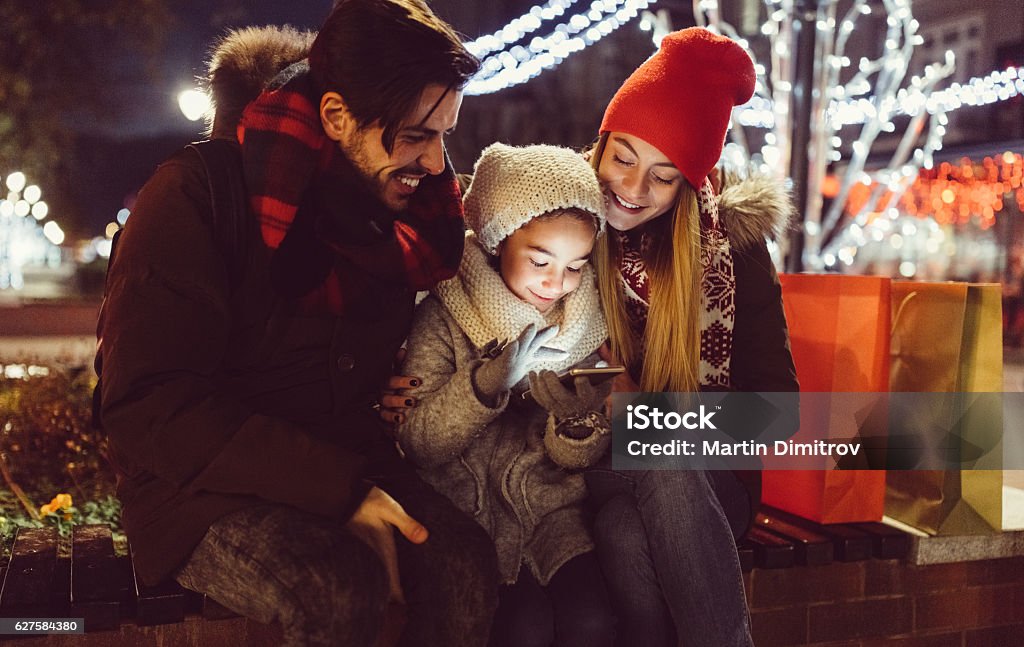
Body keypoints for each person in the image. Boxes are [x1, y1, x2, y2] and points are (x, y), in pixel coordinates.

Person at [95, 2, 500, 645]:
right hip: (202, 487)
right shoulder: (195, 194)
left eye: (445, 134)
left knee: (466, 569)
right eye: (417, 135)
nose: (434, 162)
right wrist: (338, 491)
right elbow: (148, 402)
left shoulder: (396, 213)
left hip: (344, 452)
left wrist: (397, 382)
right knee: (337, 584)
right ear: (336, 117)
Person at [585, 28, 799, 647]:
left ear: (691, 184)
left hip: (714, 485)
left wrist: (652, 416)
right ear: (601, 144)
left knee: (634, 524)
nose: (631, 189)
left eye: (663, 175)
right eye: (622, 157)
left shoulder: (733, 248)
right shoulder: (561, 217)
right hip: (584, 463)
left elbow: (776, 413)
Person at [396, 143, 616, 647]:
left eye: (576, 265)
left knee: (592, 622)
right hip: (467, 514)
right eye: (540, 260)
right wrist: (485, 383)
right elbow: (420, 442)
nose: (557, 283)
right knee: (524, 628)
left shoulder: (583, 326)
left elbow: (568, 461)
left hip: (550, 517)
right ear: (498, 242)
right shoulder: (445, 314)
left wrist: (576, 428)